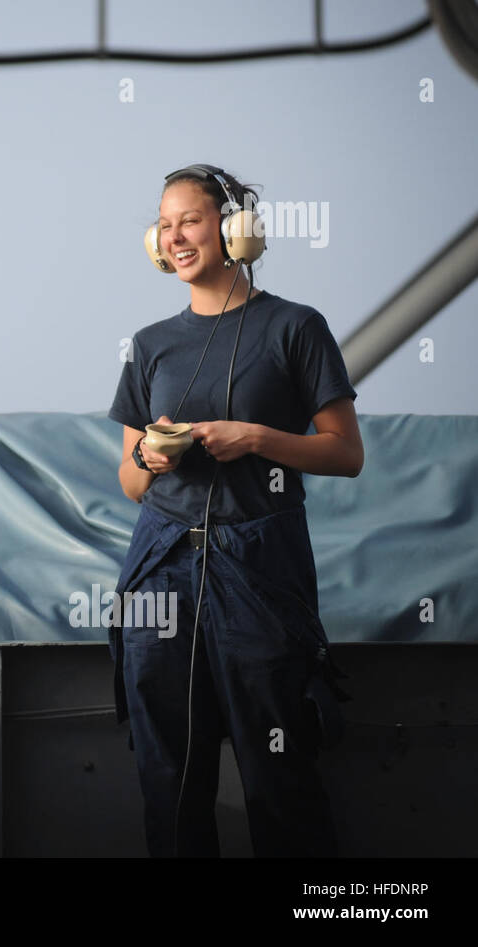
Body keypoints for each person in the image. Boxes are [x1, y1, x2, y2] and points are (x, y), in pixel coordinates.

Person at [107, 164, 363, 857]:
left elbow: (346, 453)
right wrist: (154, 459)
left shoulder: (295, 327)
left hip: (258, 570)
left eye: (189, 219)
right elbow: (130, 481)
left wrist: (256, 439)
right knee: (168, 774)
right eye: (164, 224)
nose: (175, 235)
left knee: (279, 772)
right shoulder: (150, 344)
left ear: (234, 229)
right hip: (162, 569)